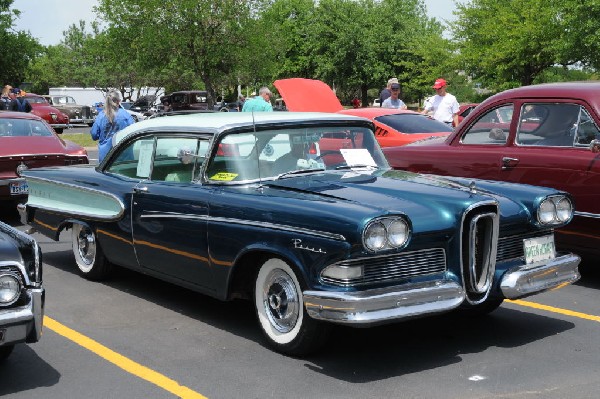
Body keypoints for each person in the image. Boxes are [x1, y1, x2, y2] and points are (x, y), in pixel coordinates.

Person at [91, 90, 135, 162]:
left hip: (106, 159)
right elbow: (134, 130)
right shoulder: (125, 114)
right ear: (118, 101)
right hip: (124, 157)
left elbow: (94, 135)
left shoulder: (101, 116)